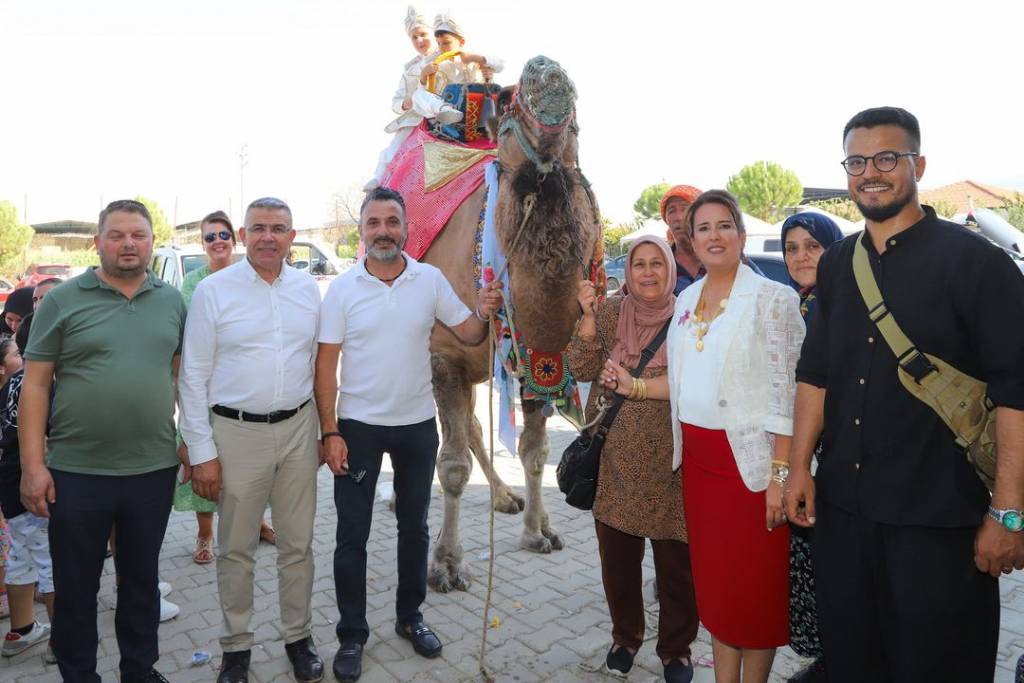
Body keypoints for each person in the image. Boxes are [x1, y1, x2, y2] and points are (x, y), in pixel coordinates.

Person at [784, 106, 1024, 682]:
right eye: (857, 161)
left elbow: (1017, 396)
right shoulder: (837, 264)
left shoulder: (978, 265)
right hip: (845, 518)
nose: (872, 172)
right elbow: (814, 374)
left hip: (940, 526)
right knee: (851, 664)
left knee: (939, 668)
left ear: (917, 164)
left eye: (887, 158)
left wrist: (1009, 515)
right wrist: (796, 469)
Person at [602, 190, 803, 683]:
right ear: (689, 241)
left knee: (755, 593)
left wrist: (781, 475)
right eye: (703, 229)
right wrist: (636, 386)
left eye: (723, 226)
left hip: (752, 469)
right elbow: (684, 382)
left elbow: (787, 396)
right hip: (698, 467)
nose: (714, 237)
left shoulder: (774, 300)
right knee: (716, 589)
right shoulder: (687, 300)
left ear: (740, 233)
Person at [314, 187, 502, 682]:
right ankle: (352, 634)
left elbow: (468, 332)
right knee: (351, 536)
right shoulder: (343, 290)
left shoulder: (429, 280)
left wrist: (485, 309)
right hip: (357, 428)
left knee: (414, 529)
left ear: (405, 228)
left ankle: (409, 618)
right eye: (373, 222)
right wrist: (329, 429)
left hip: (417, 427)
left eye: (391, 222)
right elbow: (326, 366)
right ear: (362, 231)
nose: (383, 231)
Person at [19, 199, 187, 683]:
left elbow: (181, 378)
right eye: (117, 235)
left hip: (151, 470)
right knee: (75, 590)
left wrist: (190, 444)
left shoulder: (171, 300)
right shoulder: (63, 300)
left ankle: (140, 671)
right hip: (76, 472)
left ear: (152, 242)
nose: (129, 243)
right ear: (98, 243)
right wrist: (34, 466)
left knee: (140, 585)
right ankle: (79, 675)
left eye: (139, 234)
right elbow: (35, 384)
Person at [179, 197, 324, 683]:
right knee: (236, 547)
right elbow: (193, 375)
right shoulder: (214, 291)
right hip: (236, 433)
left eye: (278, 228)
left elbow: (318, 365)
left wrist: (327, 430)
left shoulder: (307, 290)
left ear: (291, 236)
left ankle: (297, 637)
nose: (268, 237)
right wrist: (202, 452)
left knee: (298, 545)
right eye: (258, 228)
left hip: (300, 429)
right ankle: (237, 647)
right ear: (243, 236)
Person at [566, 235, 698, 683]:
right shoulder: (607, 314)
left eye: (655, 264)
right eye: (638, 264)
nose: (646, 272)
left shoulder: (689, 317)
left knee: (677, 570)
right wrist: (586, 320)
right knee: (618, 566)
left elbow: (701, 383)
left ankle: (676, 650)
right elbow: (580, 369)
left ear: (670, 268)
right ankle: (625, 639)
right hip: (615, 461)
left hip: (674, 463)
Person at [174, 211, 275, 566]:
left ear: (235, 239)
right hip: (206, 392)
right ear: (202, 244)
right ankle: (205, 534)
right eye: (209, 237)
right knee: (204, 466)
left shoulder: (252, 277)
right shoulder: (194, 284)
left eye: (223, 235)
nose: (217, 241)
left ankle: (256, 521)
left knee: (252, 469)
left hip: (246, 393)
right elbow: (194, 343)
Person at [779, 212, 842, 683]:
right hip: (807, 454)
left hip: (836, 455)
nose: (801, 256)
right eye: (792, 247)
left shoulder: (840, 305)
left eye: (812, 246)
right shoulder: (799, 304)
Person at [1, 322, 56, 663]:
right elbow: (46, 439)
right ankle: (62, 642)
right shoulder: (38, 383)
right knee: (53, 560)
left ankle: (20, 631)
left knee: (22, 555)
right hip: (33, 486)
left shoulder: (15, 382)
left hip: (10, 483)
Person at [366, 7, 442, 190]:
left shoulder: (445, 57)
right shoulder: (409, 70)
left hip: (441, 112)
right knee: (395, 145)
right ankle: (379, 178)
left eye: (423, 34)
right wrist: (405, 103)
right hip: (415, 118)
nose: (419, 40)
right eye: (414, 37)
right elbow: (396, 102)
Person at [408, 13, 504, 124]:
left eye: (446, 43)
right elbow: (427, 93)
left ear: (461, 42)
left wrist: (476, 59)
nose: (441, 48)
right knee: (417, 95)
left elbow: (500, 65)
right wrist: (424, 76)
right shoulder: (436, 64)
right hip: (450, 108)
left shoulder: (474, 59)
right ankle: (446, 111)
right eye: (438, 43)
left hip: (477, 107)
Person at [661, 185, 706, 294]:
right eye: (671, 211)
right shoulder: (659, 264)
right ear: (666, 220)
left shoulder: (727, 259)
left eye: (685, 208)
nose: (679, 217)